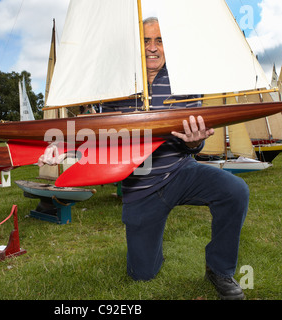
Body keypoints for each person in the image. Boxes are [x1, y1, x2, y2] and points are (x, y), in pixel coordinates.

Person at [101, 17, 249, 300]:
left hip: (182, 172)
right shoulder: (118, 85)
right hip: (141, 187)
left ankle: (219, 268)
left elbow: (195, 140)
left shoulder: (186, 79)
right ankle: (150, 253)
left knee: (235, 190)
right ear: (137, 45)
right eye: (146, 40)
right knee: (142, 275)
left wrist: (195, 142)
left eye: (160, 40)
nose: (152, 48)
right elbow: (101, 137)